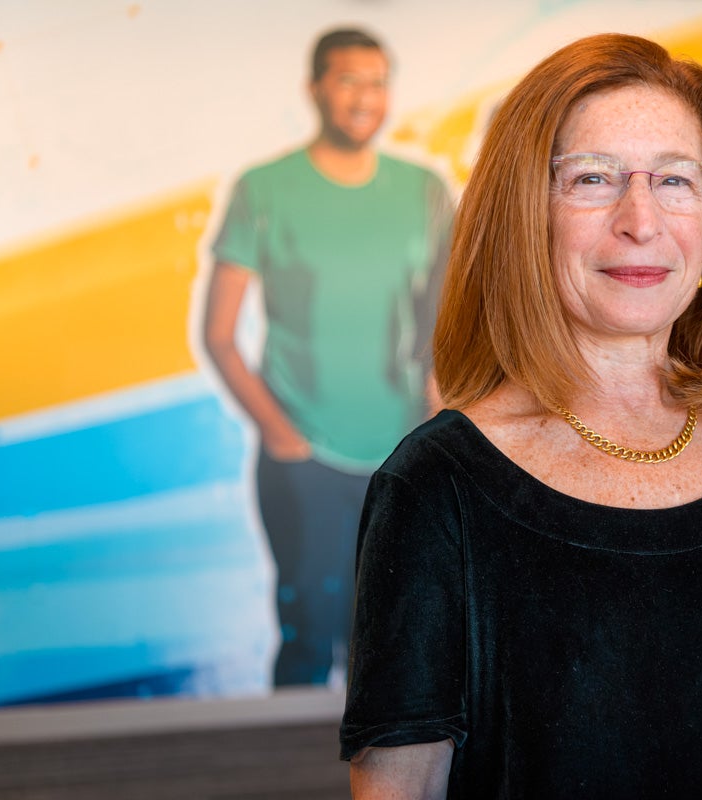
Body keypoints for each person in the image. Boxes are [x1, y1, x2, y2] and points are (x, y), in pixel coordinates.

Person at [340, 33, 702, 799]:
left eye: (675, 180)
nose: (641, 221)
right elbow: (405, 787)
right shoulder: (433, 487)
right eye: (592, 177)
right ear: (525, 214)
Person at [202, 28, 453, 687]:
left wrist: (438, 416)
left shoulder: (424, 190)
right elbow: (218, 335)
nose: (364, 98)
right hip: (305, 457)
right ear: (314, 89)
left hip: (403, 454)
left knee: (394, 645)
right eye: (348, 81)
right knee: (309, 640)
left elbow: (446, 318)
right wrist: (281, 433)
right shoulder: (264, 189)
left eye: (377, 83)